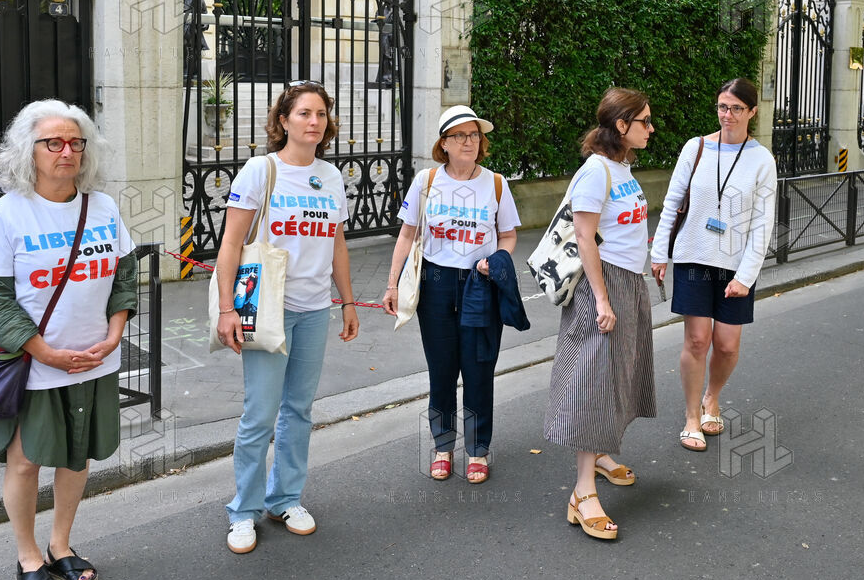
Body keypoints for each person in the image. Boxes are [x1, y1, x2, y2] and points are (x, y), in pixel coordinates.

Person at [0, 100, 138, 580]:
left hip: (93, 359)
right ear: (30, 151)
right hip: (34, 364)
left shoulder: (102, 207)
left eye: (75, 142)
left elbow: (124, 279)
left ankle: (60, 546)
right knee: (25, 463)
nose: (66, 151)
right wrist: (44, 351)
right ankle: (28, 558)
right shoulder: (5, 214)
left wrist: (114, 336)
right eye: (53, 143)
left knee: (76, 456)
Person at [217, 81, 359, 554]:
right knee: (260, 414)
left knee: (298, 411)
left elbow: (336, 244)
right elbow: (230, 245)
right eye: (303, 113)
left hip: (315, 309)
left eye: (321, 113)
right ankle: (243, 509)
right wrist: (226, 309)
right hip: (267, 308)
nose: (314, 122)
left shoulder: (331, 177)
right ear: (283, 120)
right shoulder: (261, 170)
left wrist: (348, 301)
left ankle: (285, 498)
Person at [382, 105, 521, 483]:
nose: (469, 142)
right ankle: (443, 447)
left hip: (480, 286)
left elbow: (508, 235)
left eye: (474, 135)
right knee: (441, 372)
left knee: (479, 371)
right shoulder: (426, 181)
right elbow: (407, 235)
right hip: (435, 285)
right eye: (459, 135)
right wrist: (393, 284)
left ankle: (477, 450)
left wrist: (496, 260)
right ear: (444, 143)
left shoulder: (496, 184)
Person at [543, 88, 657, 541]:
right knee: (594, 383)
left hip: (627, 281)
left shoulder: (621, 166)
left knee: (620, 375)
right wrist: (603, 301)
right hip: (602, 286)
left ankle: (603, 454)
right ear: (621, 125)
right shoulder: (595, 171)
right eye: (644, 121)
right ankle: (583, 492)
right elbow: (584, 237)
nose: (651, 128)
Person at [650, 78, 777, 455]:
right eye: (723, 106)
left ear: (752, 112)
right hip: (693, 256)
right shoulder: (697, 148)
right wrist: (659, 253)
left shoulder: (762, 160)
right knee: (697, 340)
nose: (728, 115)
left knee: (726, 345)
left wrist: (746, 276)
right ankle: (692, 416)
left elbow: (763, 223)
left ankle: (712, 397)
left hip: (735, 265)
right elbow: (672, 202)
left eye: (737, 108)